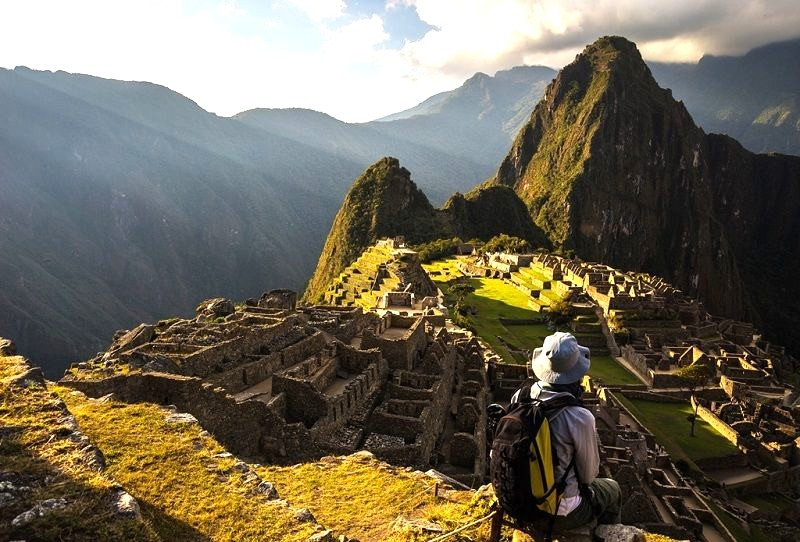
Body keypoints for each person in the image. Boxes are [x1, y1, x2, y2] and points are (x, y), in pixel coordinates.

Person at [510, 331, 621, 530]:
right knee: (613, 489)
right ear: (577, 373)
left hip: (516, 499)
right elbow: (588, 476)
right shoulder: (579, 416)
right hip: (558, 510)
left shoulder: (521, 396)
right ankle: (609, 533)